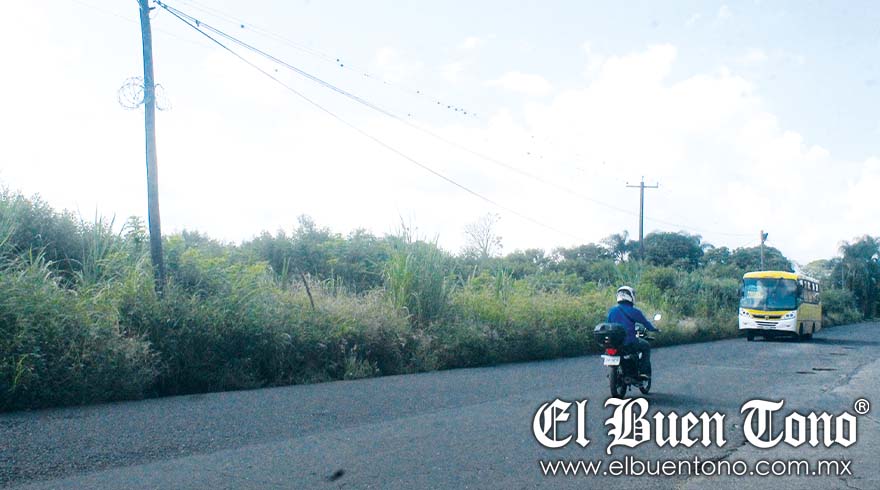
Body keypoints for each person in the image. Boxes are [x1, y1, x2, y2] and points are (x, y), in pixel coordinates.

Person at [606, 285, 659, 379]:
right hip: (629, 342)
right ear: (630, 296)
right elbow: (645, 323)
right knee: (646, 346)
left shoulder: (612, 311)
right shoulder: (634, 311)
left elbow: (608, 325)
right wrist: (654, 329)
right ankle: (643, 372)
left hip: (614, 343)